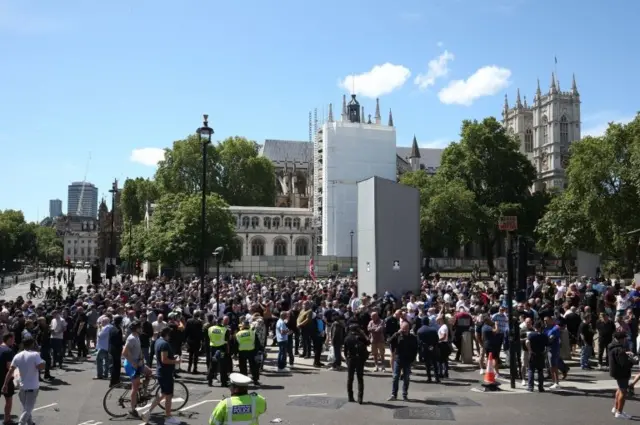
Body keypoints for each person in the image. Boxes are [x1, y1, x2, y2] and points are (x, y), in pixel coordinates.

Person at [141, 327, 181, 425]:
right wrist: (176, 361)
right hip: (165, 373)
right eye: (170, 335)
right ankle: (168, 417)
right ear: (167, 334)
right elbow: (164, 360)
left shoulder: (158, 341)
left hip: (161, 372)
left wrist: (172, 357)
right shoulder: (164, 344)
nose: (170, 337)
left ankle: (148, 412)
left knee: (163, 394)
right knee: (169, 395)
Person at [2, 338, 44, 425]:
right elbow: (40, 367)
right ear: (32, 344)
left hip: (22, 387)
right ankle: (21, 423)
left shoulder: (17, 356)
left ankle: (30, 422)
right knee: (28, 409)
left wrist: (5, 384)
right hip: (32, 386)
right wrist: (43, 361)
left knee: (26, 407)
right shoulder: (35, 354)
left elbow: (10, 371)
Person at [122, 321, 152, 418]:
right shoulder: (131, 339)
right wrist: (133, 363)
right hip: (131, 365)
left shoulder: (137, 337)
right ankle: (132, 410)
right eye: (140, 327)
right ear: (136, 329)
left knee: (149, 372)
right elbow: (124, 353)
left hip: (138, 362)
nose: (141, 329)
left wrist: (141, 358)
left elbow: (138, 350)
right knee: (135, 388)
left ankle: (144, 392)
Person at [387, 321, 419, 401]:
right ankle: (394, 394)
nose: (405, 331)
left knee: (406, 378)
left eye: (406, 329)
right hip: (398, 359)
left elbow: (415, 349)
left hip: (407, 360)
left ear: (409, 329)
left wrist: (413, 359)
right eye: (403, 329)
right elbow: (389, 341)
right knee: (395, 377)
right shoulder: (398, 336)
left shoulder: (412, 338)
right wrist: (396, 334)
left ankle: (405, 394)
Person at [609, 331, 634, 419]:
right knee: (623, 392)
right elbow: (624, 363)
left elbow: (618, 356)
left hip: (616, 372)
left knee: (619, 389)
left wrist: (625, 354)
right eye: (624, 338)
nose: (625, 340)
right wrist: (632, 361)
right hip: (622, 373)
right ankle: (619, 412)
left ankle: (615, 408)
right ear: (621, 339)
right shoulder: (620, 349)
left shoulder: (613, 346)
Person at [343, 323, 369, 404]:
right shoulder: (361, 338)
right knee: (360, 378)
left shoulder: (347, 338)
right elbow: (368, 342)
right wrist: (363, 334)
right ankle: (360, 398)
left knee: (350, 378)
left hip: (351, 358)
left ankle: (350, 397)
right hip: (360, 359)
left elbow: (345, 351)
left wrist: (347, 359)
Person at [236, 320, 262, 385]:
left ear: (243, 326)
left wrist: (235, 353)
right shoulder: (252, 333)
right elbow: (257, 343)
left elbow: (235, 344)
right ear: (248, 326)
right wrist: (258, 350)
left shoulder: (238, 334)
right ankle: (255, 380)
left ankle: (244, 380)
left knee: (243, 367)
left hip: (242, 352)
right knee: (253, 366)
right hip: (251, 351)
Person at [208, 316, 230, 387]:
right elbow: (227, 341)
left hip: (213, 348)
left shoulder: (210, 328)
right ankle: (223, 382)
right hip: (221, 349)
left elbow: (209, 337)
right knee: (222, 366)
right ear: (221, 322)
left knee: (212, 365)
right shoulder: (225, 329)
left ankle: (210, 381)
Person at [0, 333, 15, 425]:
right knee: (8, 400)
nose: (14, 341)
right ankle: (7, 419)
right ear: (9, 339)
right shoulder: (8, 351)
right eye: (13, 339)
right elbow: (9, 367)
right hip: (5, 379)